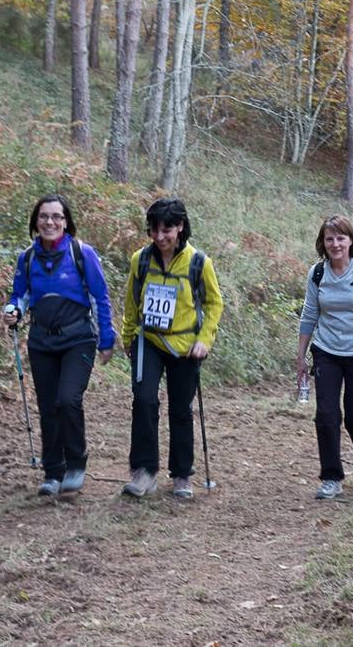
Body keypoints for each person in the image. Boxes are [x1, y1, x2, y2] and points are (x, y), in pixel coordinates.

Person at [3, 194, 116, 498]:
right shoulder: (27, 258)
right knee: (48, 406)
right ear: (35, 221)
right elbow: (20, 296)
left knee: (67, 399)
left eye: (56, 216)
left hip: (78, 338)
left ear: (66, 222)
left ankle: (76, 464)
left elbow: (100, 297)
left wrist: (107, 338)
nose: (50, 222)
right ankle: (53, 472)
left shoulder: (82, 253)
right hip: (41, 341)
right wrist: (12, 310)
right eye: (43, 216)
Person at [121, 198, 224, 500]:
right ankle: (143, 472)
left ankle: (181, 474)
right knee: (143, 401)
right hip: (148, 341)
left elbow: (214, 303)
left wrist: (204, 339)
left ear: (180, 227)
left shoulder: (198, 262)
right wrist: (128, 338)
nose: (160, 237)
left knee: (180, 410)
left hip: (185, 346)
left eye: (167, 230)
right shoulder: (140, 260)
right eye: (154, 230)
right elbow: (131, 301)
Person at [296, 215, 353, 500]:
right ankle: (331, 477)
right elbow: (309, 314)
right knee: (326, 414)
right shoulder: (317, 273)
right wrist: (300, 357)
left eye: (340, 238)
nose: (335, 244)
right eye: (329, 239)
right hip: (326, 351)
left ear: (351, 240)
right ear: (322, 243)